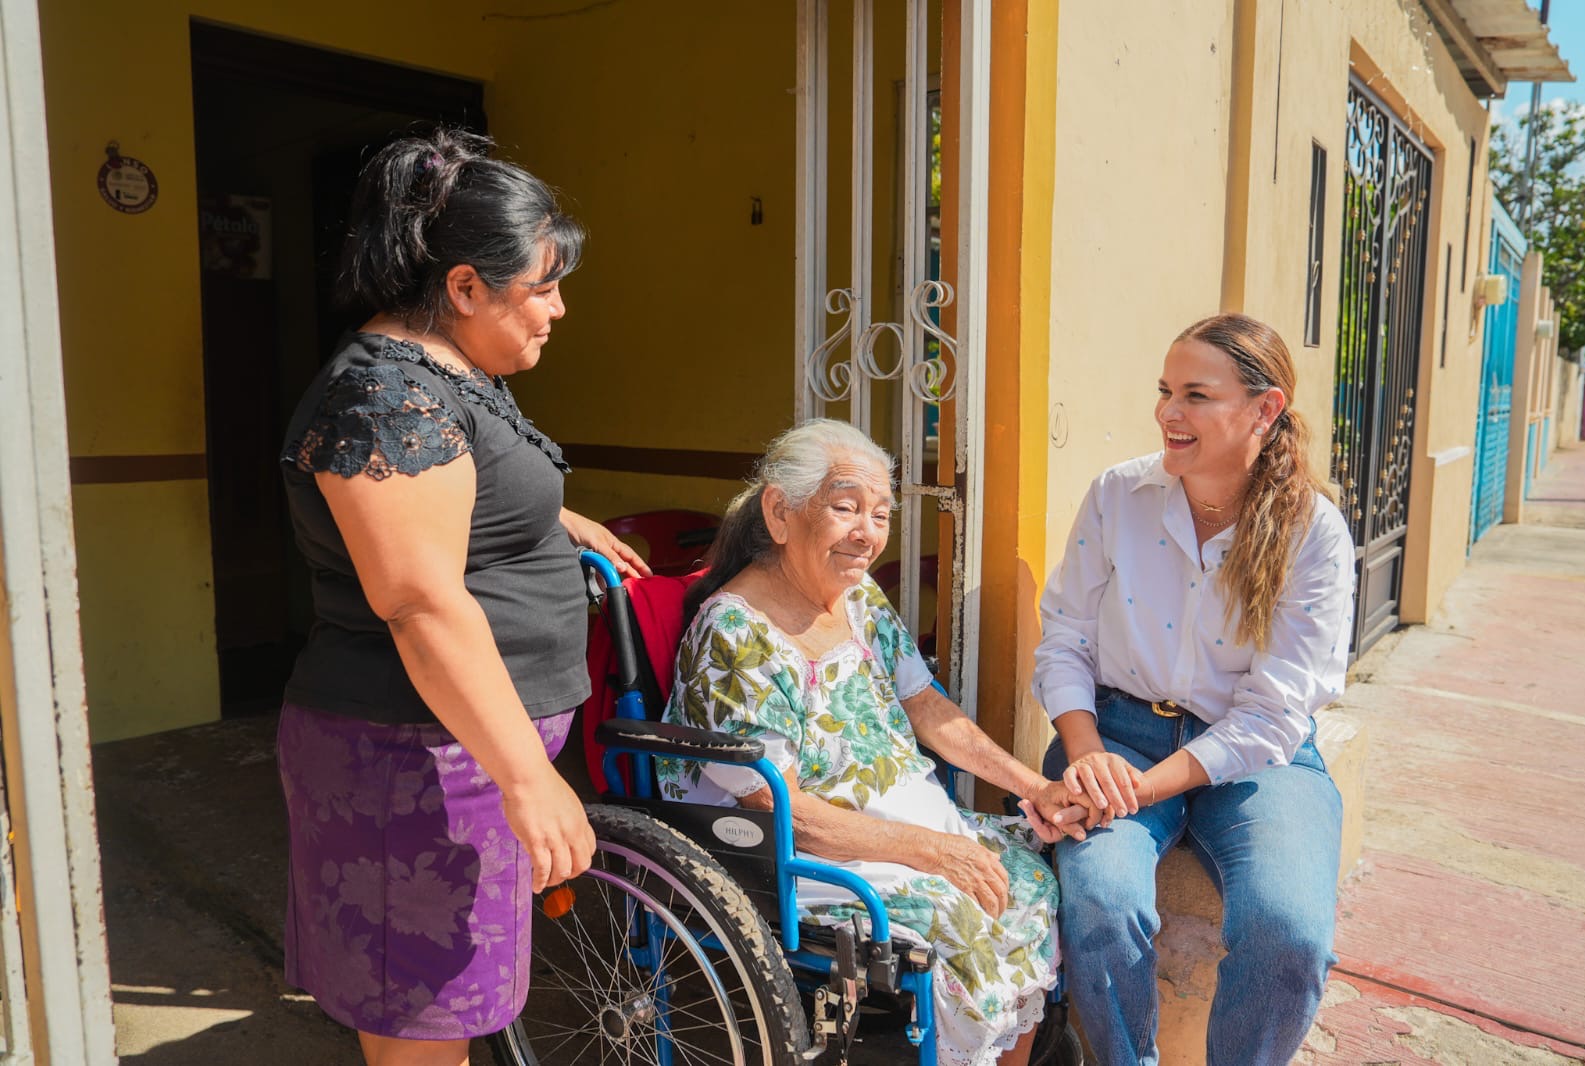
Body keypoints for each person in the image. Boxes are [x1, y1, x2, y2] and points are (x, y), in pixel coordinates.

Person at [275, 128, 647, 1066]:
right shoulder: (382, 401)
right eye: (542, 286)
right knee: (424, 1030)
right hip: (414, 766)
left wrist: (557, 522)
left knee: (456, 1011)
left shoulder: (444, 376)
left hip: (458, 754)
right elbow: (421, 603)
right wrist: (528, 776)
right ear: (466, 287)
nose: (558, 309)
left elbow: (457, 497)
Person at [660, 418, 1089, 1066]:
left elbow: (928, 707)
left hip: (904, 832)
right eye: (845, 507)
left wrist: (1036, 788)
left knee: (1032, 881)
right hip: (808, 861)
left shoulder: (859, 599)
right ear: (779, 512)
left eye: (881, 514)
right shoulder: (735, 633)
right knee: (965, 920)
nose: (867, 533)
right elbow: (783, 813)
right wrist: (931, 852)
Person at [1033, 312, 1355, 1066]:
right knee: (1102, 902)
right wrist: (1085, 756)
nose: (1167, 414)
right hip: (1115, 733)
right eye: (1165, 391)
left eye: (1195, 396)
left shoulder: (1313, 532)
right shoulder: (1119, 495)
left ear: (1263, 410)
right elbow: (1065, 638)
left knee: (1291, 930)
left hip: (1259, 763)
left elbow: (1274, 715)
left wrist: (1141, 790)